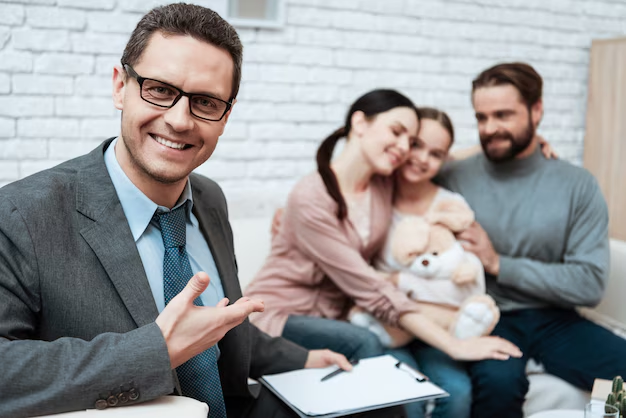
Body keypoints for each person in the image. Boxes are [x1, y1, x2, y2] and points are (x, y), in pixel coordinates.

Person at [0, 4, 355, 418]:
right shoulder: (21, 214)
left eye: (205, 102)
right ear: (120, 87)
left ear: (226, 115)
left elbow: (217, 326)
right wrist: (156, 351)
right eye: (160, 90)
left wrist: (303, 359)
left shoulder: (209, 198)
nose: (180, 120)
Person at [245, 91, 520, 417]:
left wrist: (521, 146)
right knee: (365, 344)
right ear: (359, 122)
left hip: (334, 317)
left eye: (410, 139)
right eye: (396, 132)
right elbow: (371, 289)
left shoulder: (381, 182)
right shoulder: (311, 197)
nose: (405, 148)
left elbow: (438, 158)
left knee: (432, 383)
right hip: (278, 314)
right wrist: (455, 345)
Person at [434, 62, 626, 418]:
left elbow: (589, 284)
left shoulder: (577, 185)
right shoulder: (454, 176)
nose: (490, 128)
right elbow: (411, 168)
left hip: (555, 319)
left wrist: (498, 263)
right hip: (487, 317)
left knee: (624, 379)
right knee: (499, 387)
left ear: (537, 110)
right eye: (481, 117)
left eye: (503, 115)